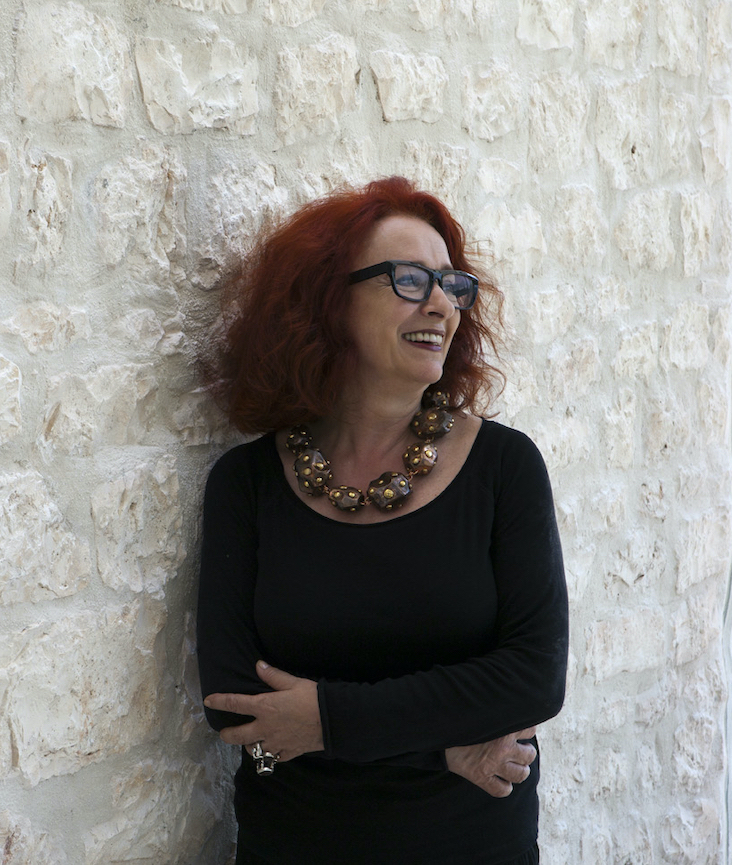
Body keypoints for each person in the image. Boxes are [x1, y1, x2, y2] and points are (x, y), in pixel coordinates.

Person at [195, 177, 569, 864]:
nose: (441, 304)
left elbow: (532, 678)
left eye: (452, 284)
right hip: (294, 847)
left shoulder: (504, 467)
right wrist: (445, 745)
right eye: (409, 279)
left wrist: (323, 722)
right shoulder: (246, 484)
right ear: (328, 301)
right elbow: (234, 706)